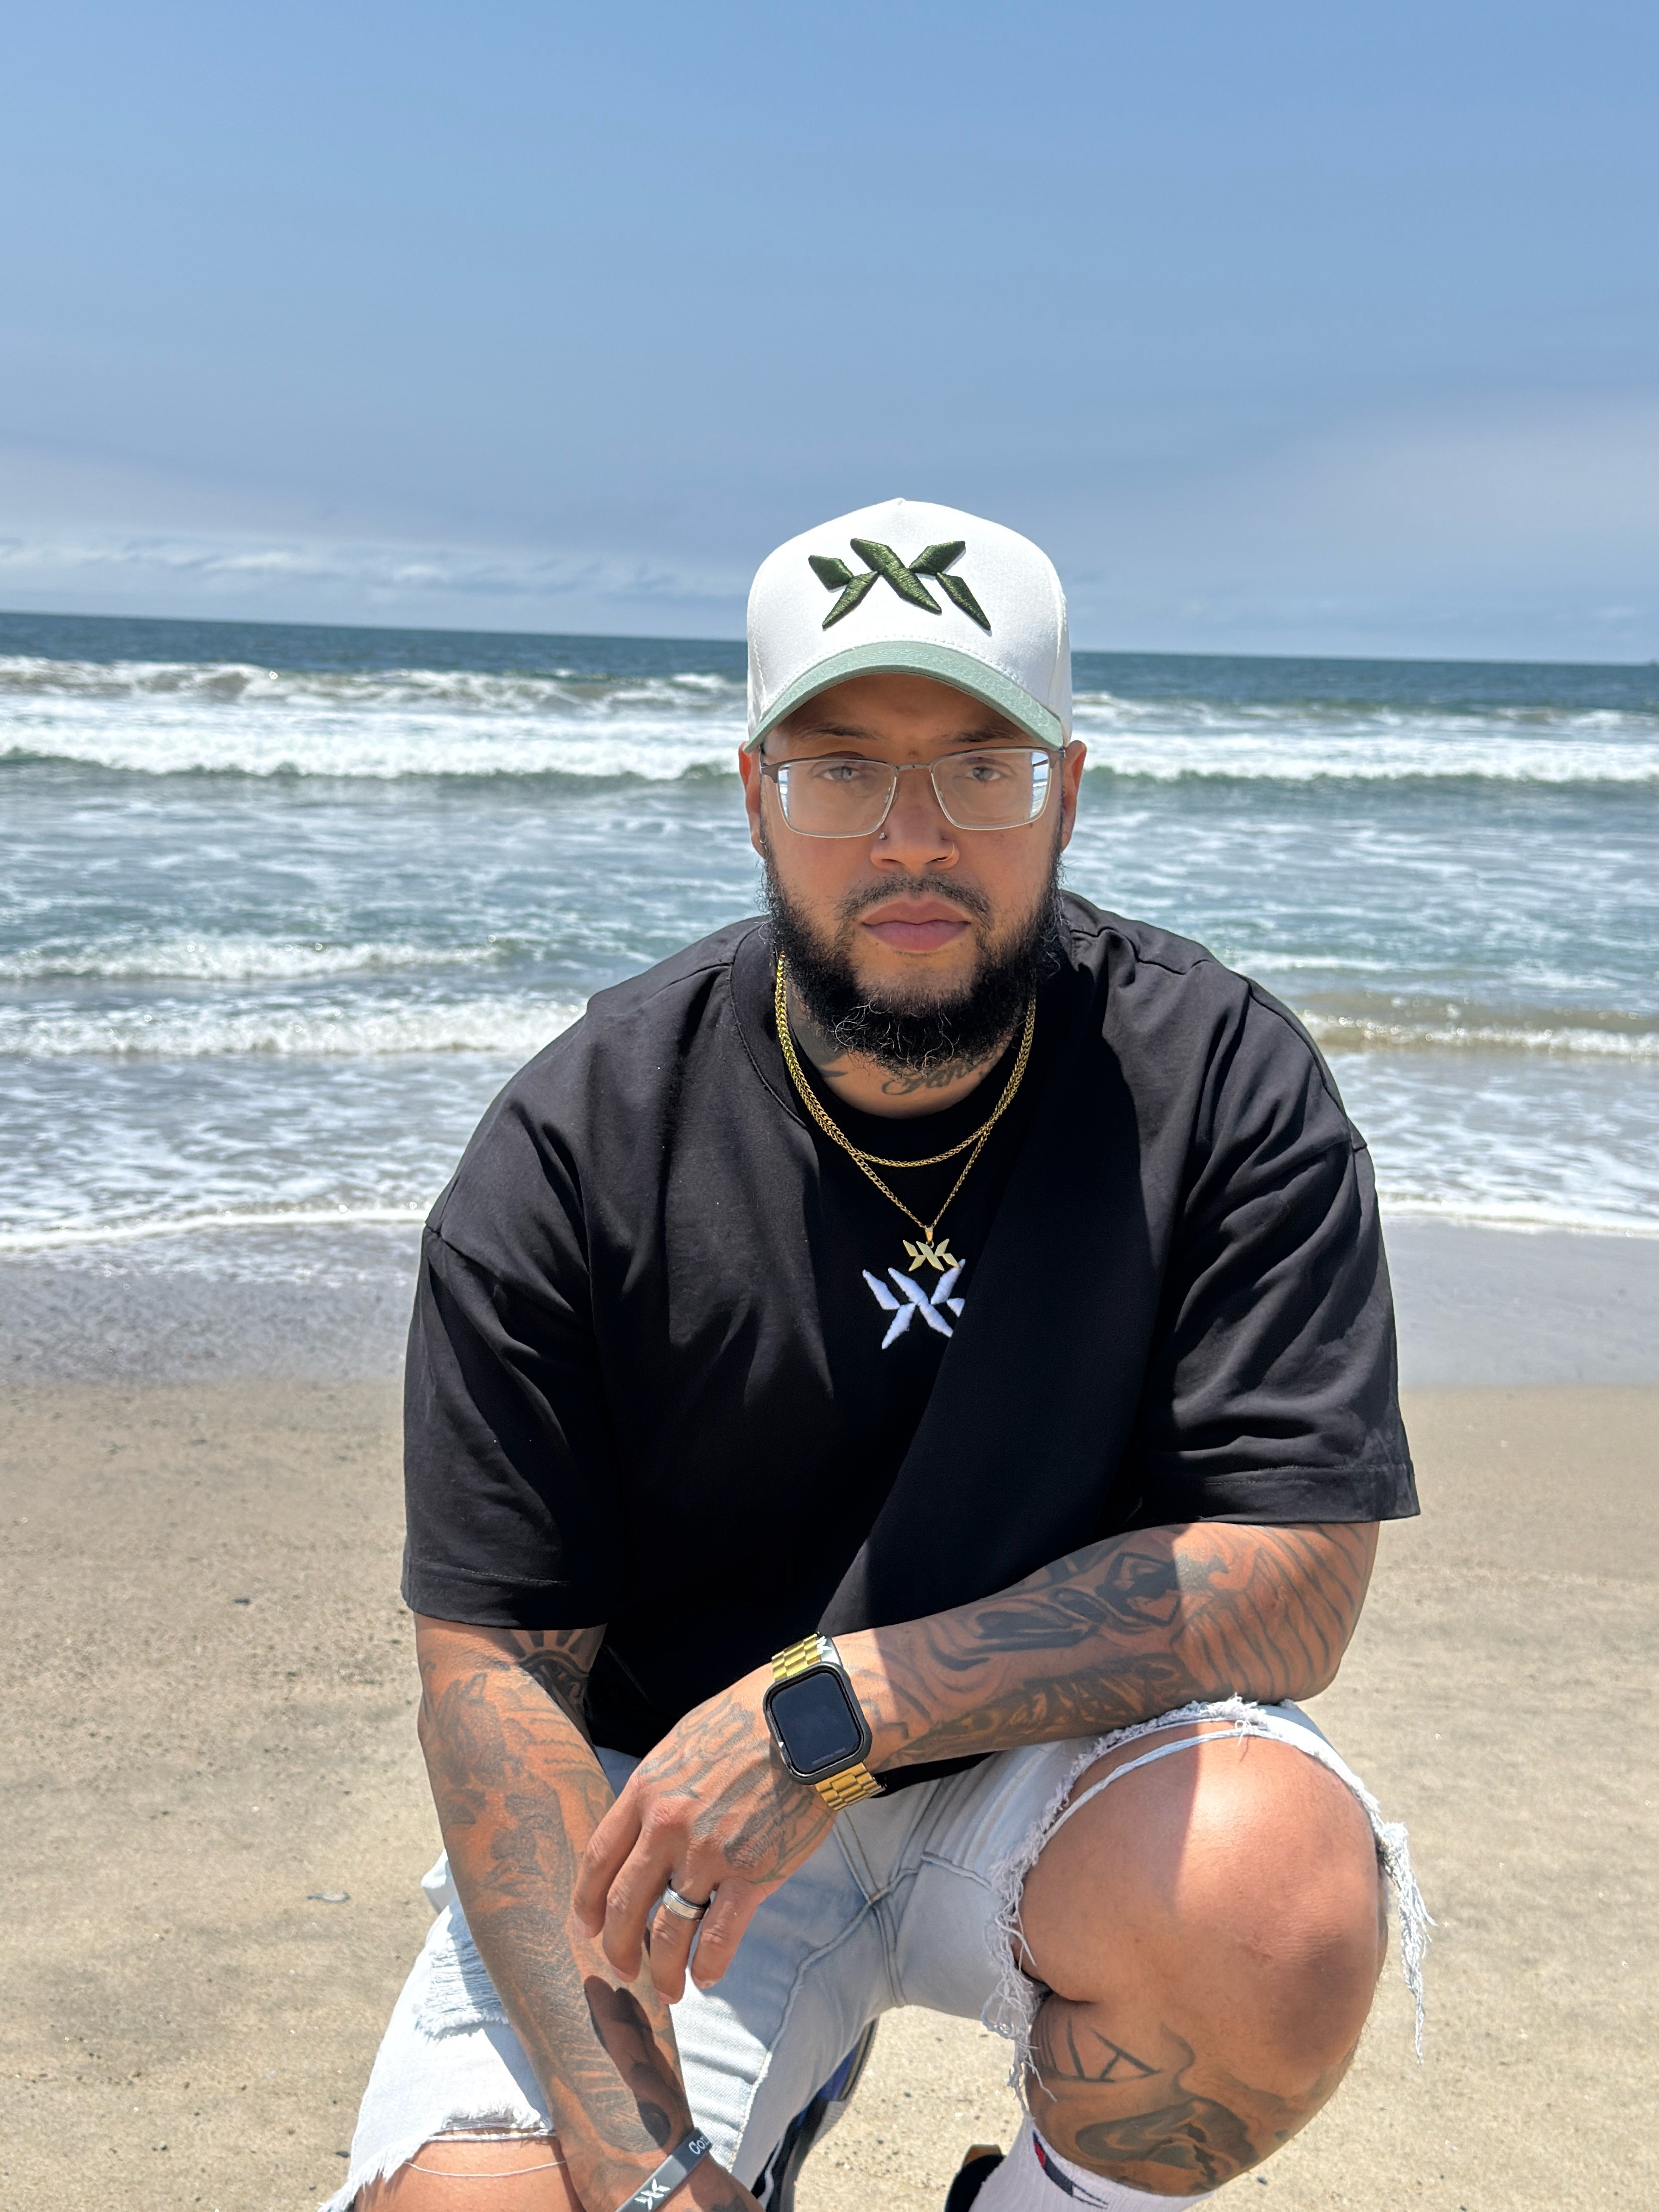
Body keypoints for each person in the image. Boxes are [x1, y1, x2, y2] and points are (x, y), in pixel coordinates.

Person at [327, 498, 1425, 2212]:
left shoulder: (1216, 1080)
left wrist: (832, 1714)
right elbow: (489, 1683)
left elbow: (1293, 1577)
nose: (913, 835)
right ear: (755, 788)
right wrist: (640, 2170)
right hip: (660, 1811)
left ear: (1065, 785)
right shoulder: (574, 1143)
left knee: (1275, 1904)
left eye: (978, 767)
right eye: (843, 768)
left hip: (1046, 1774)